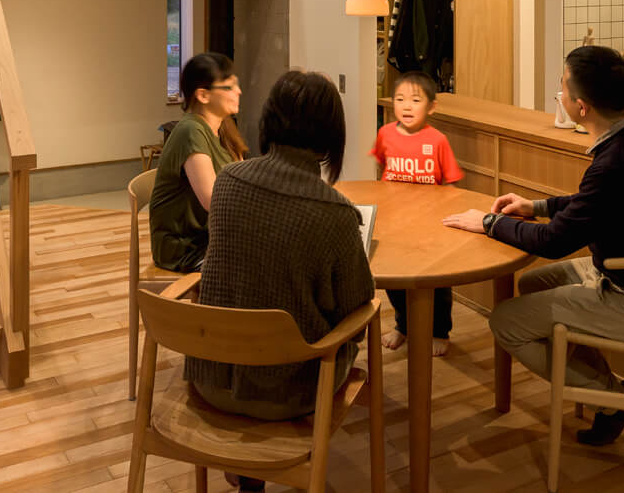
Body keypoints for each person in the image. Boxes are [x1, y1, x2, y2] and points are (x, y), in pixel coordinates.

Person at [442, 45, 624, 447]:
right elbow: (592, 205)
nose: (558, 93)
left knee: (506, 322)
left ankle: (612, 399)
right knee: (532, 285)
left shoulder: (614, 163)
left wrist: (489, 223)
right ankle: (602, 390)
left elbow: (554, 241)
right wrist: (537, 206)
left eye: (562, 87)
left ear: (581, 107)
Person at [188, 70, 376, 428]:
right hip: (291, 392)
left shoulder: (227, 182)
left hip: (212, 378)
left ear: (269, 120)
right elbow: (356, 313)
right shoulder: (335, 213)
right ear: (331, 134)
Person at [370, 72, 462, 355]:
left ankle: (440, 331)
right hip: (394, 223)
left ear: (431, 107)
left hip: (429, 226)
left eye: (415, 100)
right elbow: (380, 167)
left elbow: (451, 183)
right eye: (400, 99)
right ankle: (403, 325)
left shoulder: (438, 140)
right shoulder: (385, 134)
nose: (407, 106)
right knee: (396, 279)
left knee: (437, 282)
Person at [149, 53, 244, 272]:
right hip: (186, 246)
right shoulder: (191, 130)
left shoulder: (224, 128)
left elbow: (241, 179)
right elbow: (214, 201)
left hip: (210, 235)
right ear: (203, 95)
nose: (238, 91)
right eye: (229, 87)